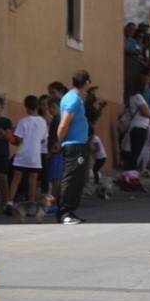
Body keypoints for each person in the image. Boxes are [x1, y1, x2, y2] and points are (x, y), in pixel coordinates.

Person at [57, 70, 92, 225]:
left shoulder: (74, 98)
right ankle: (64, 213)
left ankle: (70, 211)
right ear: (86, 83)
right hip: (74, 146)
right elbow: (64, 124)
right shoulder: (73, 100)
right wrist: (58, 141)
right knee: (71, 178)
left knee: (77, 179)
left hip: (78, 144)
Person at [5, 95, 48, 218]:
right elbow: (43, 140)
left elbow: (17, 140)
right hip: (35, 157)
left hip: (22, 156)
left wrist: (10, 135)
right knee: (32, 183)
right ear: (37, 106)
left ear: (26, 107)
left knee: (15, 180)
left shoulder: (23, 121)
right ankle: (31, 208)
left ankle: (9, 203)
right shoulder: (42, 122)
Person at [125, 70, 150, 171]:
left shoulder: (133, 97)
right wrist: (149, 112)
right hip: (140, 127)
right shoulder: (138, 97)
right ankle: (132, 175)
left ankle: (132, 174)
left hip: (136, 127)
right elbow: (146, 112)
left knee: (135, 153)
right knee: (136, 153)